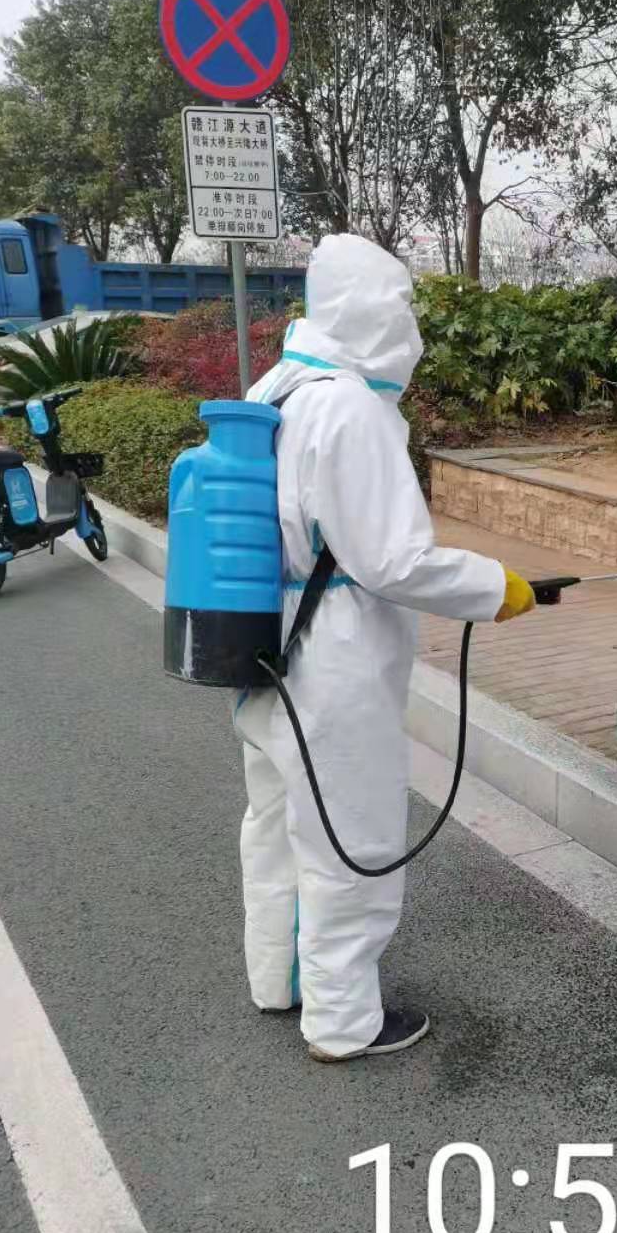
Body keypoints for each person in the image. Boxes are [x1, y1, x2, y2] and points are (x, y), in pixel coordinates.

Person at [233, 233, 535, 1063]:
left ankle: (277, 979)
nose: (411, 327)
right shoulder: (349, 409)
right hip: (330, 655)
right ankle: (343, 1022)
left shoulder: (277, 386)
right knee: (350, 838)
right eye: (402, 307)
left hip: (262, 640)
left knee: (277, 826)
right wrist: (495, 586)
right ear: (368, 310)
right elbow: (393, 560)